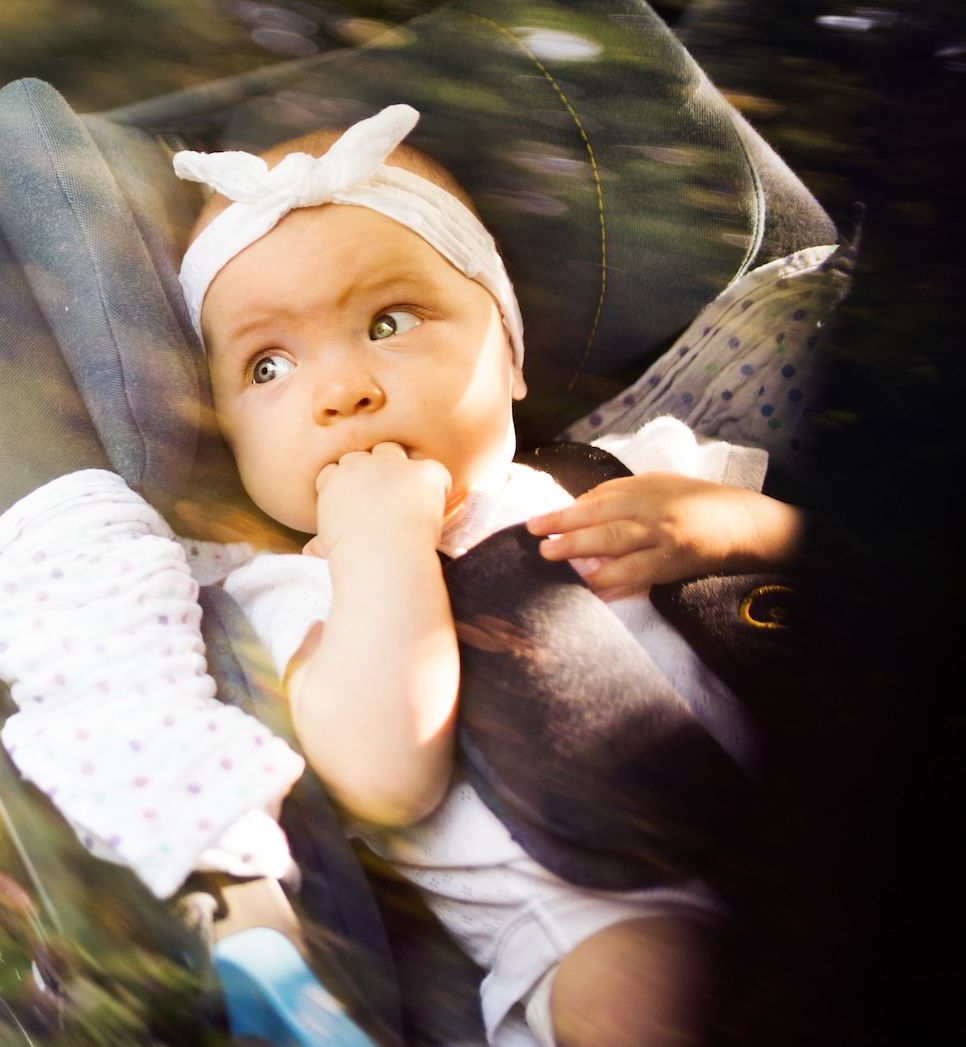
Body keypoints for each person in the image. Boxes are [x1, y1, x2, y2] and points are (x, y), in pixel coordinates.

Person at [178, 105, 801, 1046]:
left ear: (507, 351)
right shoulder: (294, 593)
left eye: (389, 321)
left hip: (814, 816)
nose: (342, 390)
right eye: (269, 366)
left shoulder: (637, 464)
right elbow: (387, 778)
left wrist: (738, 524)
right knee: (641, 994)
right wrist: (380, 541)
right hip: (599, 917)